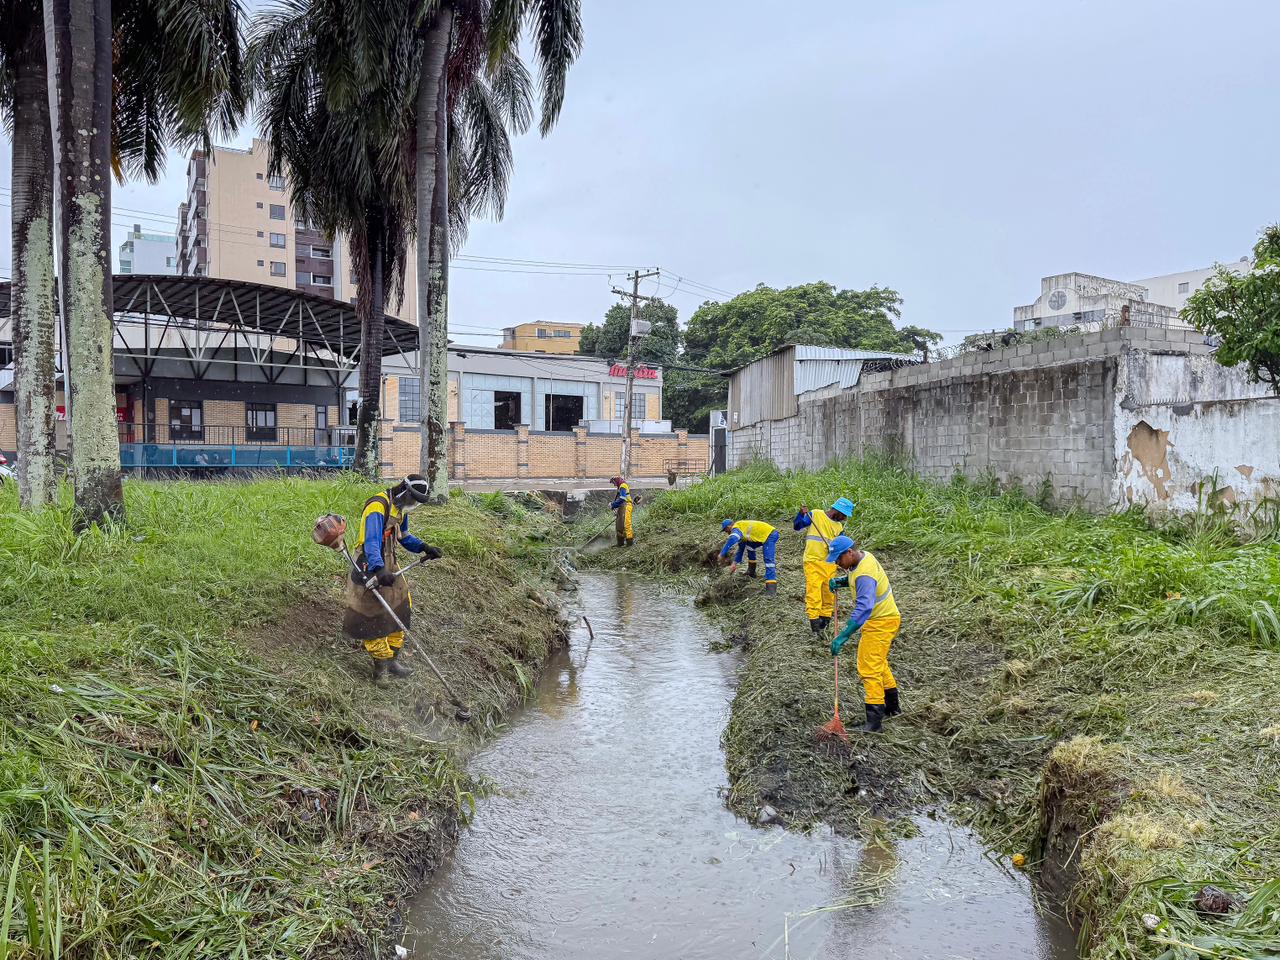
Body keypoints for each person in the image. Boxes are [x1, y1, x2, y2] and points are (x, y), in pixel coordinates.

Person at [342, 474, 442, 685]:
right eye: (413, 499)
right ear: (404, 491)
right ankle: (380, 670)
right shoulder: (378, 506)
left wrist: (424, 547)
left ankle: (392, 660)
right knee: (374, 613)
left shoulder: (400, 508)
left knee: (402, 606)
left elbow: (404, 537)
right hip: (369, 562)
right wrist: (379, 570)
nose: (413, 504)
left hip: (389, 559)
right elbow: (370, 542)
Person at [826, 535, 901, 732]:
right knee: (879, 663)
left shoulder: (864, 574)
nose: (837, 563)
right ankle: (893, 708)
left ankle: (874, 722)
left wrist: (843, 636)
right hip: (884, 618)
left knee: (868, 667)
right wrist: (841, 582)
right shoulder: (862, 558)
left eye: (838, 559)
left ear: (849, 552)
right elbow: (856, 579)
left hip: (880, 622)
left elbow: (864, 607)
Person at [794, 497, 855, 634]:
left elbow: (842, 547)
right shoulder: (815, 515)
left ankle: (825, 622)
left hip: (830, 563)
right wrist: (801, 514)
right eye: (844, 515)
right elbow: (797, 526)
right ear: (837, 511)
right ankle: (815, 627)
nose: (844, 518)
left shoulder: (839, 527)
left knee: (829, 593)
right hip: (813, 562)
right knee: (814, 593)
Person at [719, 519, 780, 597]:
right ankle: (751, 572)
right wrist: (734, 564)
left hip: (770, 535)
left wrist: (721, 554)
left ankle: (771, 589)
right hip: (763, 534)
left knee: (769, 561)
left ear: (729, 526)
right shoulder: (742, 532)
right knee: (749, 546)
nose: (727, 533)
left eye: (726, 530)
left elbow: (733, 538)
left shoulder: (736, 528)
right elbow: (740, 550)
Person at [610, 476, 634, 546]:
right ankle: (620, 543)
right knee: (619, 525)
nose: (614, 485)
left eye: (614, 483)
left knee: (626, 524)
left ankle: (629, 543)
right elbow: (618, 499)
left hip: (626, 506)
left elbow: (622, 498)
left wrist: (613, 504)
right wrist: (614, 506)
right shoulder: (620, 487)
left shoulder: (623, 486)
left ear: (616, 480)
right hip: (622, 507)